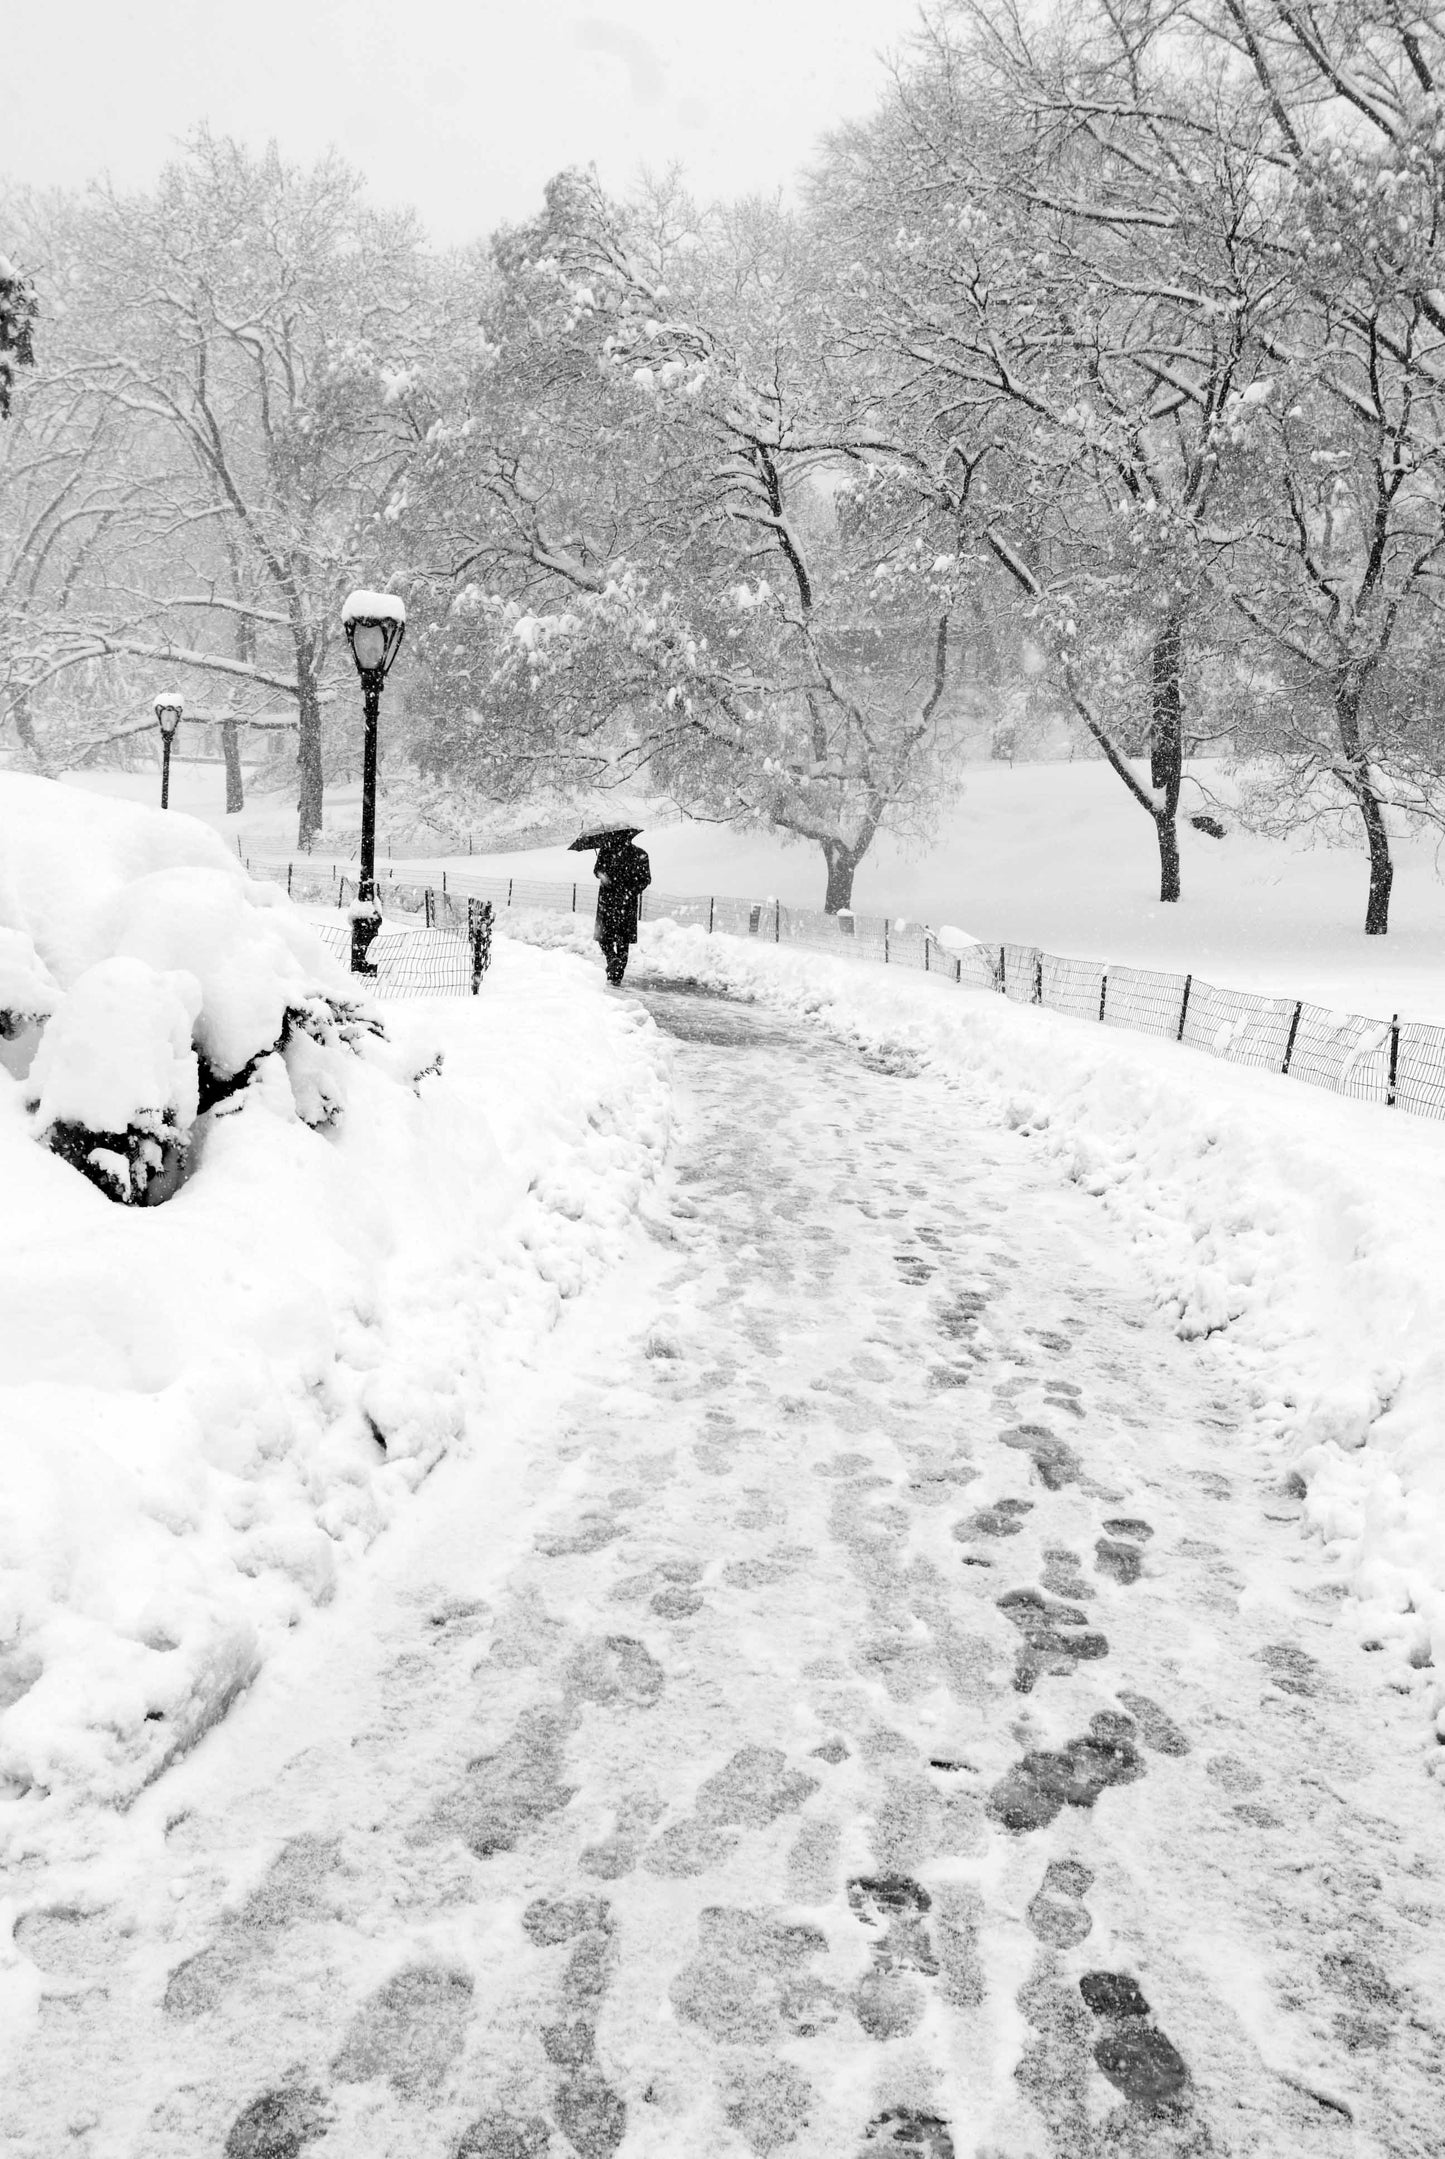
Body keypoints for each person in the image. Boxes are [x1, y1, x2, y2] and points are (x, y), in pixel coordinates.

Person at [592, 831, 651, 986]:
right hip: (627, 904)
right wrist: (629, 893)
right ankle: (617, 975)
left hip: (607, 901)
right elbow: (645, 880)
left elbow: (597, 871)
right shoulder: (640, 854)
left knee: (604, 937)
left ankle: (612, 959)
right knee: (623, 940)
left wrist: (603, 876)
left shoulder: (606, 850)